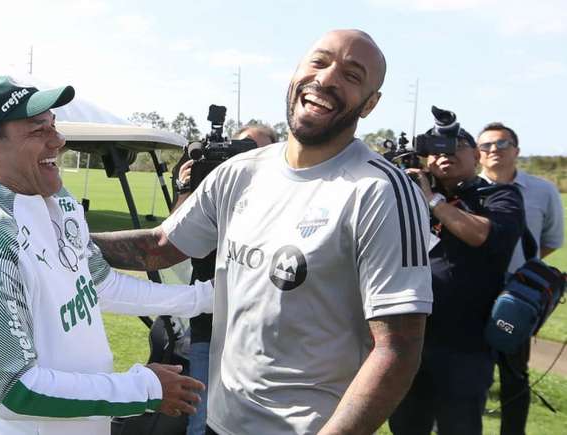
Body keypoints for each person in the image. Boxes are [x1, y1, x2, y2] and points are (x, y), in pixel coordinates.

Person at [92, 29, 433, 435]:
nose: (326, 79)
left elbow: (398, 347)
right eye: (319, 62)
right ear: (295, 74)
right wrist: (61, 235)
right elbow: (161, 246)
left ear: (370, 104)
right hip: (222, 422)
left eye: (352, 75)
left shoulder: (381, 191)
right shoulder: (241, 172)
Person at [0, 76, 214, 435]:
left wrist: (206, 298)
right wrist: (144, 389)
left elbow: (100, 284)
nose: (59, 140)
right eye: (38, 131)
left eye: (54, 125)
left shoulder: (54, 200)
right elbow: (13, 392)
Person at [389, 119, 526, 435]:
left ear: (477, 157)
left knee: (459, 426)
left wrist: (433, 201)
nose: (444, 155)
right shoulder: (413, 195)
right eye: (436, 151)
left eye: (456, 147)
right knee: (406, 424)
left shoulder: (501, 196)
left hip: (467, 345)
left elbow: (480, 234)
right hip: (411, 336)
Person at [171, 124, 277, 435]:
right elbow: (174, 239)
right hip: (209, 327)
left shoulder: (280, 196)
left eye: (257, 151)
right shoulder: (213, 187)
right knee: (200, 418)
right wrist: (185, 188)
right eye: (242, 147)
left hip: (261, 334)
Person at [477, 122, 564, 435]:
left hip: (518, 298)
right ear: (477, 153)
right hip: (471, 293)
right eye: (486, 146)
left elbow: (552, 239)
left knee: (515, 373)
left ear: (516, 150)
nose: (493, 151)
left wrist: (523, 270)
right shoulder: (465, 187)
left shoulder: (543, 190)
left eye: (501, 145)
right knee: (471, 370)